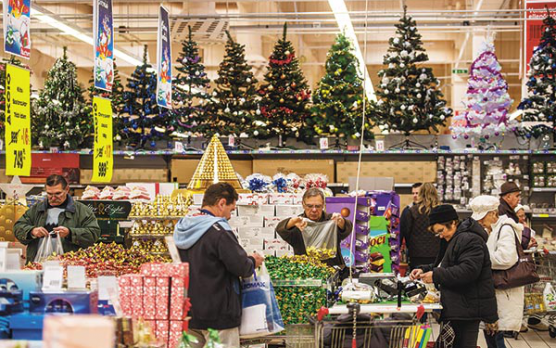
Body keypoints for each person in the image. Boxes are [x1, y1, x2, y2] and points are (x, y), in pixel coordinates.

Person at [173, 183, 264, 348]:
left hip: (189, 311)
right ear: (221, 203)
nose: (229, 216)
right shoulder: (219, 231)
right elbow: (241, 267)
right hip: (219, 314)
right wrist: (252, 261)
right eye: (231, 209)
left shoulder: (182, 229)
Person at [410, 204, 498, 348]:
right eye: (437, 233)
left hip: (468, 308)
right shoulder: (453, 239)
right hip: (458, 306)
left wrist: (436, 275)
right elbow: (444, 264)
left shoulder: (470, 239)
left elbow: (468, 271)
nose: (441, 235)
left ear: (452, 223)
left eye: (441, 230)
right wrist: (423, 270)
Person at [470, 195, 523, 348]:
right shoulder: (492, 229)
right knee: (491, 332)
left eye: (481, 218)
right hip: (493, 290)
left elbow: (507, 258)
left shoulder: (504, 228)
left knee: (496, 334)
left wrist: (480, 258)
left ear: (493, 214)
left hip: (503, 289)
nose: (479, 222)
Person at [14, 174, 100, 264]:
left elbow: (93, 233)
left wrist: (70, 233)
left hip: (70, 265)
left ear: (67, 190)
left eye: (58, 193)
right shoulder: (36, 209)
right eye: (49, 194)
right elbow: (18, 228)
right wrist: (32, 231)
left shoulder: (81, 211)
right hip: (38, 264)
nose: (53, 198)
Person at [276, 187, 352, 267]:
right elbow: (280, 229)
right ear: (303, 204)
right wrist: (291, 222)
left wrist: (341, 221)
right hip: (306, 272)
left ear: (323, 205)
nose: (314, 210)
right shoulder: (298, 224)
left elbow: (347, 228)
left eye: (318, 206)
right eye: (309, 206)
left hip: (333, 270)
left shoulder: (331, 221)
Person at [400, 182, 441, 270]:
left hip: (416, 254)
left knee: (417, 279)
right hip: (439, 253)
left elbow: (405, 232)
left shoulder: (411, 211)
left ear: (421, 194)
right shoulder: (441, 210)